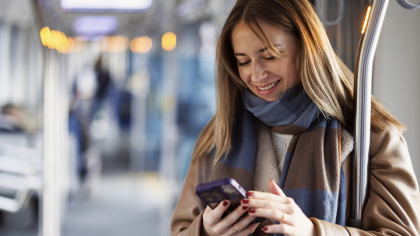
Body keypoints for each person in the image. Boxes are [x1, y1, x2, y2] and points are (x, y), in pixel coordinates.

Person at [170, 0, 420, 235]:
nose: (256, 75)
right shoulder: (220, 132)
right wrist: (204, 230)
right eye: (243, 61)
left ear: (306, 49)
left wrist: (314, 231)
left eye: (269, 56)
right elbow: (181, 229)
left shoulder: (372, 134)